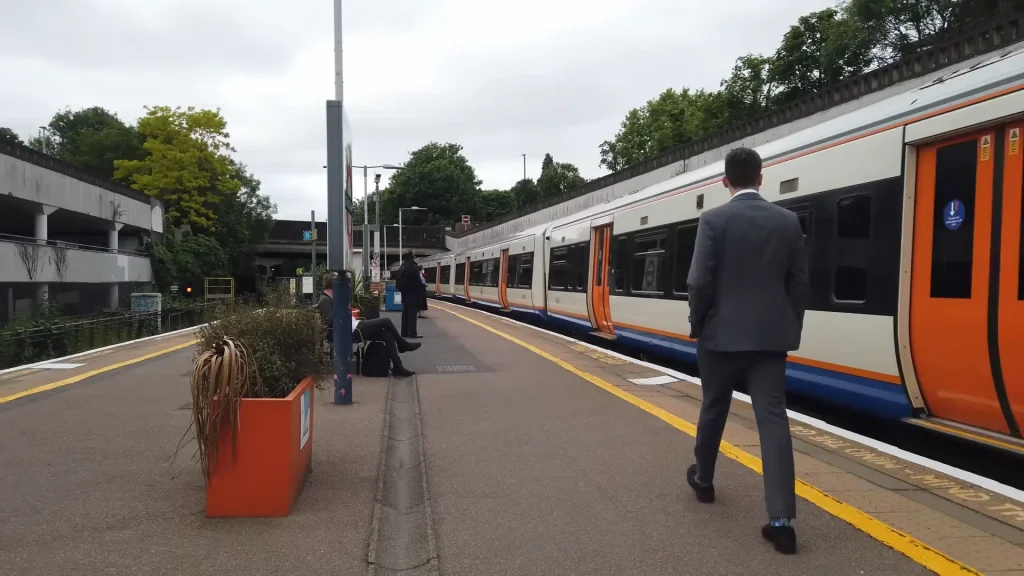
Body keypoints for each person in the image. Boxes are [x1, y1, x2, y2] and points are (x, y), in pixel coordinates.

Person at [685, 147, 810, 555]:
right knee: (773, 421)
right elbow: (798, 284)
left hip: (719, 337)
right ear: (761, 177)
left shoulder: (713, 220)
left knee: (713, 408)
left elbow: (699, 282)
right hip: (771, 339)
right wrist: (788, 327)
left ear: (725, 181)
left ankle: (704, 480)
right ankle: (781, 523)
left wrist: (698, 323)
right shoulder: (788, 221)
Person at [316, 273, 419, 378]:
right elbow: (329, 321)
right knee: (386, 321)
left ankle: (398, 367)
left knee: (387, 335)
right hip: (351, 330)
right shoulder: (325, 300)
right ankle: (403, 344)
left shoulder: (331, 299)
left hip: (353, 326)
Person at [396, 251, 423, 339]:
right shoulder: (413, 267)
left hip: (404, 294)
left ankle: (404, 332)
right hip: (413, 294)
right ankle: (412, 333)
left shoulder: (402, 266)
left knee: (405, 313)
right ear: (412, 257)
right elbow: (418, 282)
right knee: (412, 314)